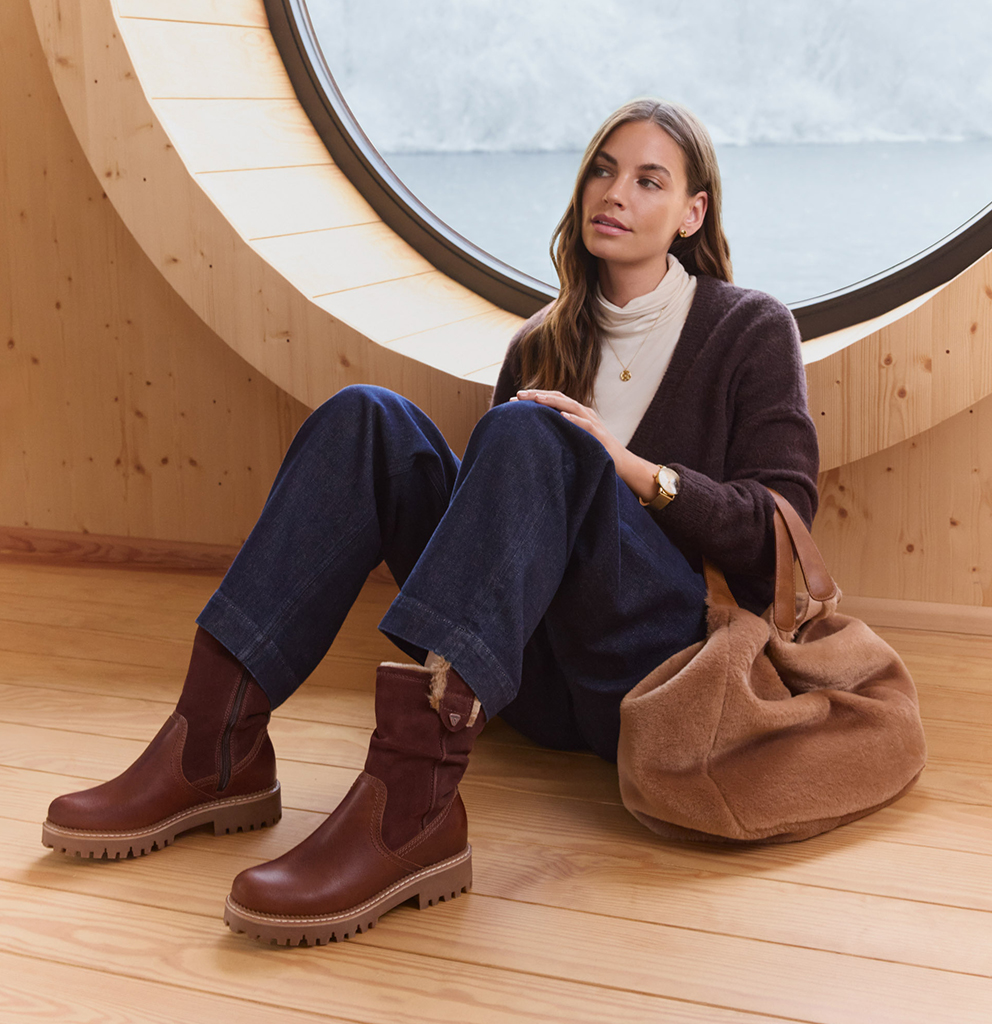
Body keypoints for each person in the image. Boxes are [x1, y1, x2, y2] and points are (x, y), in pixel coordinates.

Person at [41, 98, 819, 946]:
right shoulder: (541, 341)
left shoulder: (749, 329)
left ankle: (411, 806)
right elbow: (498, 538)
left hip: (651, 668)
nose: (616, 192)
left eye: (648, 179)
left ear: (692, 211)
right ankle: (213, 745)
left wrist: (622, 467)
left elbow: (778, 530)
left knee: (538, 432)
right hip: (530, 681)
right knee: (365, 416)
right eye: (603, 168)